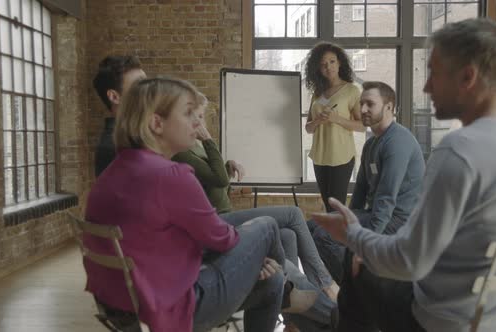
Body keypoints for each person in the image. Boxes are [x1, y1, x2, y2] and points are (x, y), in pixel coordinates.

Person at [312, 18, 496, 332]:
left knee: (359, 273)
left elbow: (409, 261)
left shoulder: (460, 150)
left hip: (445, 322)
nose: (426, 86)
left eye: (434, 71)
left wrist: (353, 234)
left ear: (468, 77)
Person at [84, 77, 287, 332]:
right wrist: (256, 258)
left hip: (123, 306)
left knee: (273, 280)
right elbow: (223, 239)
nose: (197, 122)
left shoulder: (113, 171)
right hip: (171, 307)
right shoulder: (171, 175)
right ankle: (295, 296)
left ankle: (288, 289)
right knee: (267, 227)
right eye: (188, 113)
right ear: (157, 123)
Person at [173, 93, 338, 330]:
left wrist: (227, 165)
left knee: (289, 236)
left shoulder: (195, 147)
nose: (200, 123)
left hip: (221, 216)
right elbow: (218, 179)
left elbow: (218, 179)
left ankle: (292, 319)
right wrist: (210, 142)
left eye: (202, 117)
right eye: (195, 117)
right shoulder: (183, 151)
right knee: (289, 215)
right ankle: (325, 285)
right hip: (218, 220)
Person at [308, 81, 425, 283]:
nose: (362, 109)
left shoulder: (398, 141)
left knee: (324, 235)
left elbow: (386, 198)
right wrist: (348, 218)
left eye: (370, 104)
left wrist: (364, 244)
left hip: (400, 220)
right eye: (361, 104)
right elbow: (361, 191)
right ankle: (327, 288)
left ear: (389, 107)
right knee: (311, 227)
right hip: (377, 214)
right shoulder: (371, 143)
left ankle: (354, 289)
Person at [304, 42, 365, 212]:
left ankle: (337, 239)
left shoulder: (352, 90)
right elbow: (308, 128)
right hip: (320, 156)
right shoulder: (317, 93)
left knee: (336, 208)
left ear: (339, 63)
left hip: (342, 157)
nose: (328, 67)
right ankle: (330, 238)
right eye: (323, 64)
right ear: (318, 68)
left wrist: (336, 119)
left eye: (332, 61)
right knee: (328, 205)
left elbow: (362, 126)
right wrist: (318, 121)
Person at [92, 55, 146, 177]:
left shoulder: (136, 136)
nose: (149, 90)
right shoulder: (115, 146)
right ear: (114, 97)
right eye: (140, 85)